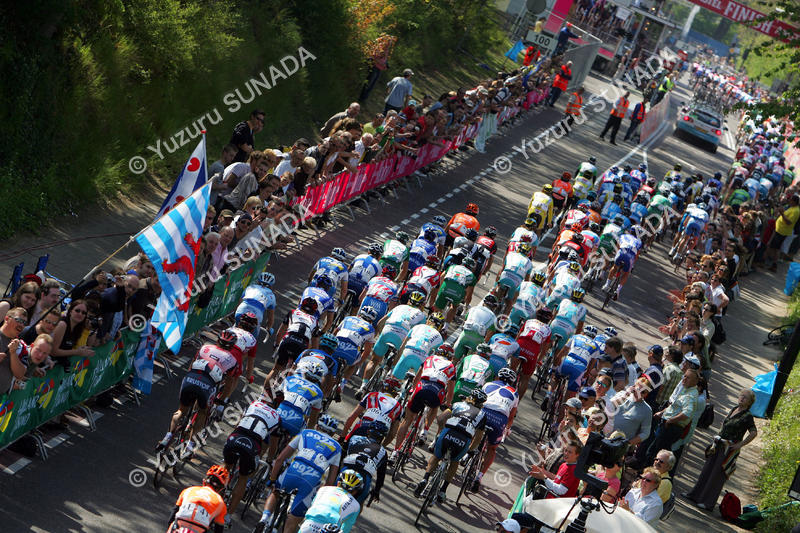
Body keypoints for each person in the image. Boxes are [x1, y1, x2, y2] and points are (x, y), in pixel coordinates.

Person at [257, 428, 342, 533]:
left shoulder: (306, 432)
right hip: (311, 480)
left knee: (276, 492)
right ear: (333, 433)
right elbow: (330, 482)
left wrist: (272, 479)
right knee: (293, 519)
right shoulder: (337, 447)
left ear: (317, 427)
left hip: (294, 470)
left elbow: (280, 459)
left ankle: (264, 518)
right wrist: (318, 500)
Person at [685, 389, 757, 510]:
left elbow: (753, 432)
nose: (742, 398)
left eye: (745, 397)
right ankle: (695, 495)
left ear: (750, 402)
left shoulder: (747, 416)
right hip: (718, 444)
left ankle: (708, 503)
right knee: (707, 470)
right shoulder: (734, 408)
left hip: (728, 449)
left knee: (717, 475)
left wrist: (740, 444)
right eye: (741, 395)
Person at [413, 388, 488, 502]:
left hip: (448, 432)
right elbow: (478, 438)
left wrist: (441, 431)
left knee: (436, 456)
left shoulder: (457, 404)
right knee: (454, 462)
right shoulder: (482, 415)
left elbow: (441, 418)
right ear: (481, 404)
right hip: (464, 439)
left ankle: (425, 479)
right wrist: (469, 450)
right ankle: (443, 490)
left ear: (470, 397)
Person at [222, 394, 280, 517]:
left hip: (235, 437)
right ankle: (228, 517)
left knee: (226, 467)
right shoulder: (277, 417)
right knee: (243, 478)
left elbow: (238, 424)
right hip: (252, 445)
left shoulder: (253, 403)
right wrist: (269, 460)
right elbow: (272, 445)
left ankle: (212, 497)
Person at [168, 465, 229, 533]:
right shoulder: (221, 503)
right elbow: (218, 529)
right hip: (200, 529)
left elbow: (172, 516)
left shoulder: (188, 490)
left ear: (204, 481)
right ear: (220, 489)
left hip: (180, 524)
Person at [298, 470, 363, 533]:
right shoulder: (356, 505)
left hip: (308, 524)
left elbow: (313, 505)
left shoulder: (323, 489)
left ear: (338, 483)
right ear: (355, 491)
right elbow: (346, 529)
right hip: (329, 529)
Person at [766, 193, 800, 271]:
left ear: (794, 202)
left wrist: (782, 213)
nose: (789, 201)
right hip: (780, 229)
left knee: (775, 248)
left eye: (791, 200)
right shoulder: (792, 208)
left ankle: (773, 263)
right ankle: (773, 263)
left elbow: (789, 222)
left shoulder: (796, 211)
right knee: (775, 247)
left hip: (782, 231)